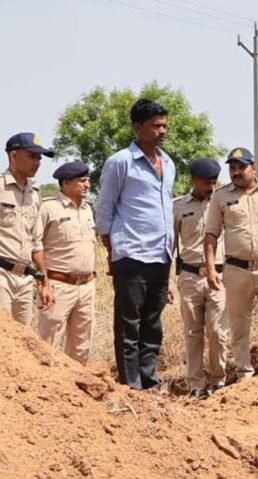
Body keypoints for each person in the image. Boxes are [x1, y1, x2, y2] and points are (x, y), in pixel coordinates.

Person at [95, 99, 176, 390]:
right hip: (131, 253)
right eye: (156, 126)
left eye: (164, 125)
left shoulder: (168, 163)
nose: (162, 131)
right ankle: (131, 386)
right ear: (137, 127)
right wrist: (111, 249)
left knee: (152, 323)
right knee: (129, 323)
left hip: (161, 254)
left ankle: (149, 382)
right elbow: (105, 208)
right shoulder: (121, 162)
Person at [203, 147, 258, 379]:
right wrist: (211, 268)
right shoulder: (220, 197)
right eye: (232, 168)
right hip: (236, 270)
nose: (236, 172)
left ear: (253, 168)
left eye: (241, 167)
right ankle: (243, 373)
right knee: (239, 325)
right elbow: (211, 234)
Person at [173, 158, 228, 398]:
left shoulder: (222, 202)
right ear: (193, 180)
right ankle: (196, 384)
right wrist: (168, 281)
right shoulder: (178, 206)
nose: (211, 187)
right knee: (192, 332)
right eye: (206, 182)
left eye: (214, 182)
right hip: (189, 275)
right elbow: (170, 244)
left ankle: (219, 380)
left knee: (217, 331)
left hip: (219, 275)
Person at [36, 161, 95, 364]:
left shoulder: (88, 209)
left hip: (86, 286)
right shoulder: (48, 208)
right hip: (58, 285)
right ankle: (45, 381)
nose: (87, 185)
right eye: (82, 181)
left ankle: (77, 383)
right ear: (66, 182)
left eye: (88, 180)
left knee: (81, 346)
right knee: (48, 343)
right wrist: (43, 283)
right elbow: (36, 246)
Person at [1, 133, 54, 325]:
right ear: (14, 155)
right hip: (1, 275)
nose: (37, 162)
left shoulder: (35, 195)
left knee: (23, 338)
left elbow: (36, 242)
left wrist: (44, 282)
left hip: (25, 278)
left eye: (39, 158)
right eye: (32, 156)